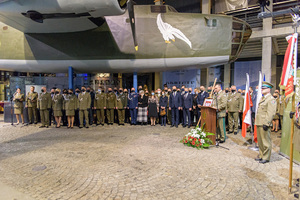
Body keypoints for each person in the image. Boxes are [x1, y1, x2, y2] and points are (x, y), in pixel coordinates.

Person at [255, 81, 277, 164]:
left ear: (269, 89)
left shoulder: (271, 99)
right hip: (259, 122)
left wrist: (267, 123)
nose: (262, 89)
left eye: (264, 88)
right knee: (260, 141)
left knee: (265, 141)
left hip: (264, 123)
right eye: (262, 88)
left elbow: (271, 112)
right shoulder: (263, 98)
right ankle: (261, 155)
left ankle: (266, 157)